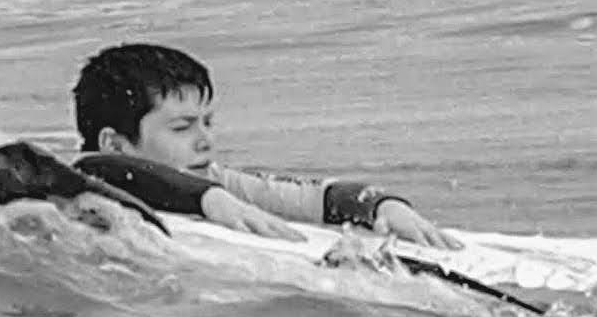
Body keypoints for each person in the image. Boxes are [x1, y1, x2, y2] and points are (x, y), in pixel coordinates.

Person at [67, 41, 454, 245]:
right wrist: (209, 200)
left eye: (208, 123)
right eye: (182, 128)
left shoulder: (214, 179)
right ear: (115, 143)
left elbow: (314, 197)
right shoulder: (78, 188)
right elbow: (100, 170)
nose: (205, 141)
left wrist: (381, 206)